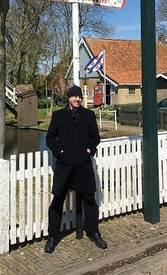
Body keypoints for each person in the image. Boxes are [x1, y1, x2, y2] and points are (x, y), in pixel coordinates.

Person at [44, 85, 107, 253]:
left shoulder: (88, 115)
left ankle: (93, 232)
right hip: (65, 165)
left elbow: (95, 137)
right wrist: (59, 152)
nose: (78, 99)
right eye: (74, 97)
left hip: (83, 165)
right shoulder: (58, 116)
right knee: (57, 201)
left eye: (79, 97)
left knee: (89, 200)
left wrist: (89, 150)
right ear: (69, 98)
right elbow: (50, 138)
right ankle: (52, 236)